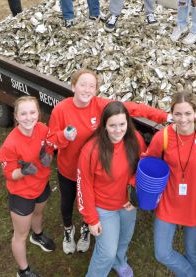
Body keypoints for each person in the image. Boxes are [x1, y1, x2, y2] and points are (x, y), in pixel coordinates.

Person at [47, 69, 169, 256]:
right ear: (73, 86)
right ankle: (68, 230)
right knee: (67, 202)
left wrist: (164, 117)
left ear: (96, 89)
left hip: (94, 170)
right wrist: (63, 136)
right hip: (69, 171)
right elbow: (52, 141)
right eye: (82, 84)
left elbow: (132, 108)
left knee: (89, 203)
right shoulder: (61, 110)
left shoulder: (100, 105)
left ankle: (86, 229)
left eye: (91, 86)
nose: (87, 90)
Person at [143, 91, 196, 277]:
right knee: (162, 252)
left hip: (194, 204)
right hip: (168, 203)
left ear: (195, 113)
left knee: (192, 252)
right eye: (178, 114)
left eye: (187, 113)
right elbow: (149, 164)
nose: (183, 119)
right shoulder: (163, 137)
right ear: (172, 114)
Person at [77, 101, 146, 277]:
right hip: (103, 208)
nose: (118, 130)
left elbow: (141, 168)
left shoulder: (135, 139)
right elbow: (83, 185)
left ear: (127, 123)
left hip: (127, 205)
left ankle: (119, 261)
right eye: (112, 125)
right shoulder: (91, 150)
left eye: (122, 124)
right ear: (104, 125)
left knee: (124, 240)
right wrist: (91, 219)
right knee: (106, 252)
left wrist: (134, 192)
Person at [0, 96, 57, 277]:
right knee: (20, 235)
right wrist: (23, 172)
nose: (28, 117)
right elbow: (9, 174)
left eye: (32, 112)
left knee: (38, 213)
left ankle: (37, 236)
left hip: (42, 184)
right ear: (16, 116)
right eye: (23, 113)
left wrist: (48, 157)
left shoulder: (43, 129)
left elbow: (49, 150)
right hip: (22, 193)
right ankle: (23, 271)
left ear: (38, 113)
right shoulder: (10, 144)